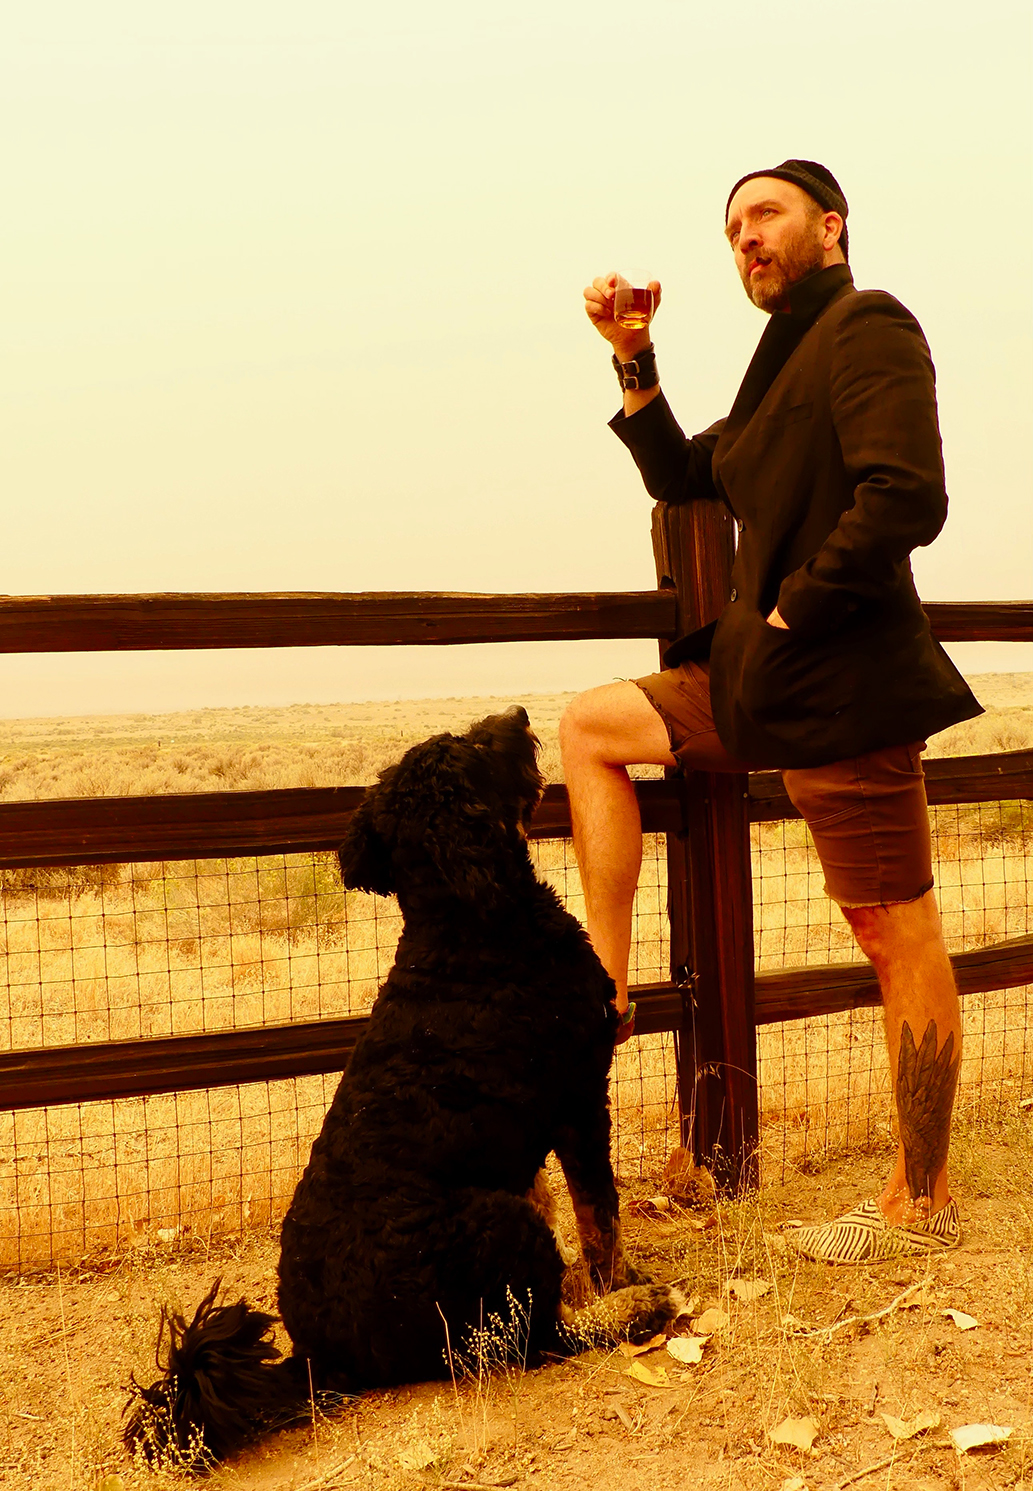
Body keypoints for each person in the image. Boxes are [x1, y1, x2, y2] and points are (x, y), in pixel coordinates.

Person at [561, 159, 983, 1264]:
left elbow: (908, 495)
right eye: (732, 226)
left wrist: (797, 609)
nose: (745, 237)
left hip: (837, 690)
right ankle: (601, 986)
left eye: (766, 214)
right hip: (752, 688)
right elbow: (682, 475)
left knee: (895, 937)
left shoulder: (867, 326)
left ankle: (920, 1197)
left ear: (829, 226)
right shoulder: (778, 359)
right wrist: (630, 359)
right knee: (591, 728)